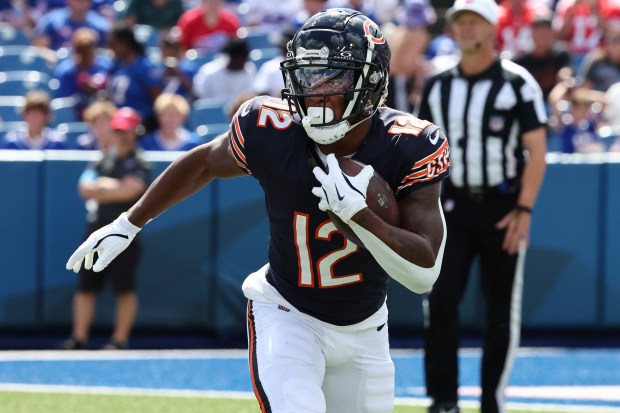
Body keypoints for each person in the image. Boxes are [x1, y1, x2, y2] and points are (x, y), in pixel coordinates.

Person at [66, 8, 450, 411]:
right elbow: (202, 163)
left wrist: (362, 217)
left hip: (366, 327)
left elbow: (424, 273)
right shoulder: (269, 126)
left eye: (332, 75)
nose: (314, 89)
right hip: (288, 312)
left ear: (370, 82)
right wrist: (129, 222)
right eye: (307, 73)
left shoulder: (409, 144)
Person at [415, 0, 548, 412]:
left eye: (475, 21)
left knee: (500, 309)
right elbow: (420, 147)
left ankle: (492, 401)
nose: (466, 29)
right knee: (440, 301)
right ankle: (443, 400)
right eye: (460, 22)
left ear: (492, 28)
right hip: (451, 208)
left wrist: (523, 210)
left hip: (502, 208)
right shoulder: (438, 85)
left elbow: (537, 151)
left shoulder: (517, 83)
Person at [61, 107, 151, 350]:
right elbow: (84, 188)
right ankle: (79, 337)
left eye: (126, 130)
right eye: (118, 130)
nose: (121, 135)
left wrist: (103, 187)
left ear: (135, 131)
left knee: (124, 288)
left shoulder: (141, 161)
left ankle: (119, 340)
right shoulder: (102, 158)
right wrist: (114, 187)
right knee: (86, 286)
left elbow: (131, 190)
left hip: (126, 236)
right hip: (95, 232)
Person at [106, 23, 164, 132]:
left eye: (113, 44)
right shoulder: (117, 66)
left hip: (142, 126)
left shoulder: (144, 66)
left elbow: (157, 99)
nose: (110, 49)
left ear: (125, 44)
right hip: (119, 125)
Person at [53, 27, 113, 120]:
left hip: (101, 117)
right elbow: (62, 103)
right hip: (74, 117)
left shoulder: (105, 66)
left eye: (89, 49)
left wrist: (96, 88)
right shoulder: (66, 71)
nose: (86, 55)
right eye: (82, 50)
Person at [192, 36, 256, 103]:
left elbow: (249, 99)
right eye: (242, 59)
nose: (244, 62)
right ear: (233, 58)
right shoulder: (209, 71)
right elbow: (199, 98)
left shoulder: (249, 69)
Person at [0, 90, 68, 150]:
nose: (35, 118)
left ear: (47, 116)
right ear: (24, 115)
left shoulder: (57, 143)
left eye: (39, 114)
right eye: (32, 114)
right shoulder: (11, 143)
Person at [176, 0, 241, 54]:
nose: (212, 2)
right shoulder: (188, 20)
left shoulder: (231, 20)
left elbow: (235, 48)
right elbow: (182, 49)